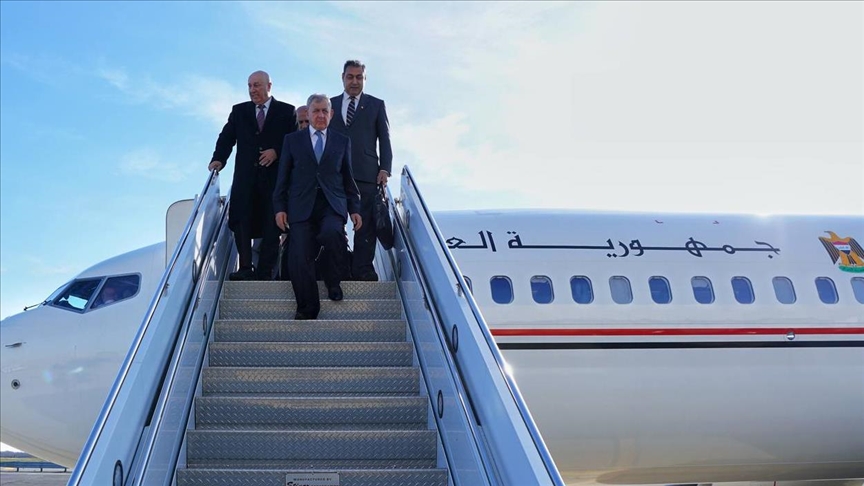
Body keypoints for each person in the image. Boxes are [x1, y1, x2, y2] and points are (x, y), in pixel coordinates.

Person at [273, 94, 362, 320]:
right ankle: (307, 307)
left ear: (331, 114)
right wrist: (280, 207)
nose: (320, 115)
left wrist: (354, 208)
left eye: (324, 111)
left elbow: (348, 177)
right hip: (301, 205)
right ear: (308, 113)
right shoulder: (292, 141)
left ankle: (333, 280)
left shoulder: (342, 141)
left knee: (332, 234)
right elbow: (283, 177)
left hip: (332, 204)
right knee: (299, 254)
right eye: (316, 111)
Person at [209, 70, 297, 281]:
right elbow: (226, 137)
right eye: (249, 86)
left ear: (269, 86)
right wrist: (218, 159)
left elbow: (295, 142)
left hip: (274, 181)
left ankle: (265, 272)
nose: (252, 90)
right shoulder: (239, 111)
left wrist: (276, 151)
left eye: (257, 85)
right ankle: (245, 267)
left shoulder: (287, 111)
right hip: (245, 178)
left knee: (271, 225)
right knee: (241, 220)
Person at [329, 60, 392, 281]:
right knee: (334, 223)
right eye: (350, 77)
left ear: (365, 79)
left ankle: (363, 269)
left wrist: (385, 168)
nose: (354, 81)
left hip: (366, 173)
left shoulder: (376, 105)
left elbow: (385, 139)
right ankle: (338, 268)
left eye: (359, 77)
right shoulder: (330, 105)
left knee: (365, 225)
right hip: (334, 174)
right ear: (343, 78)